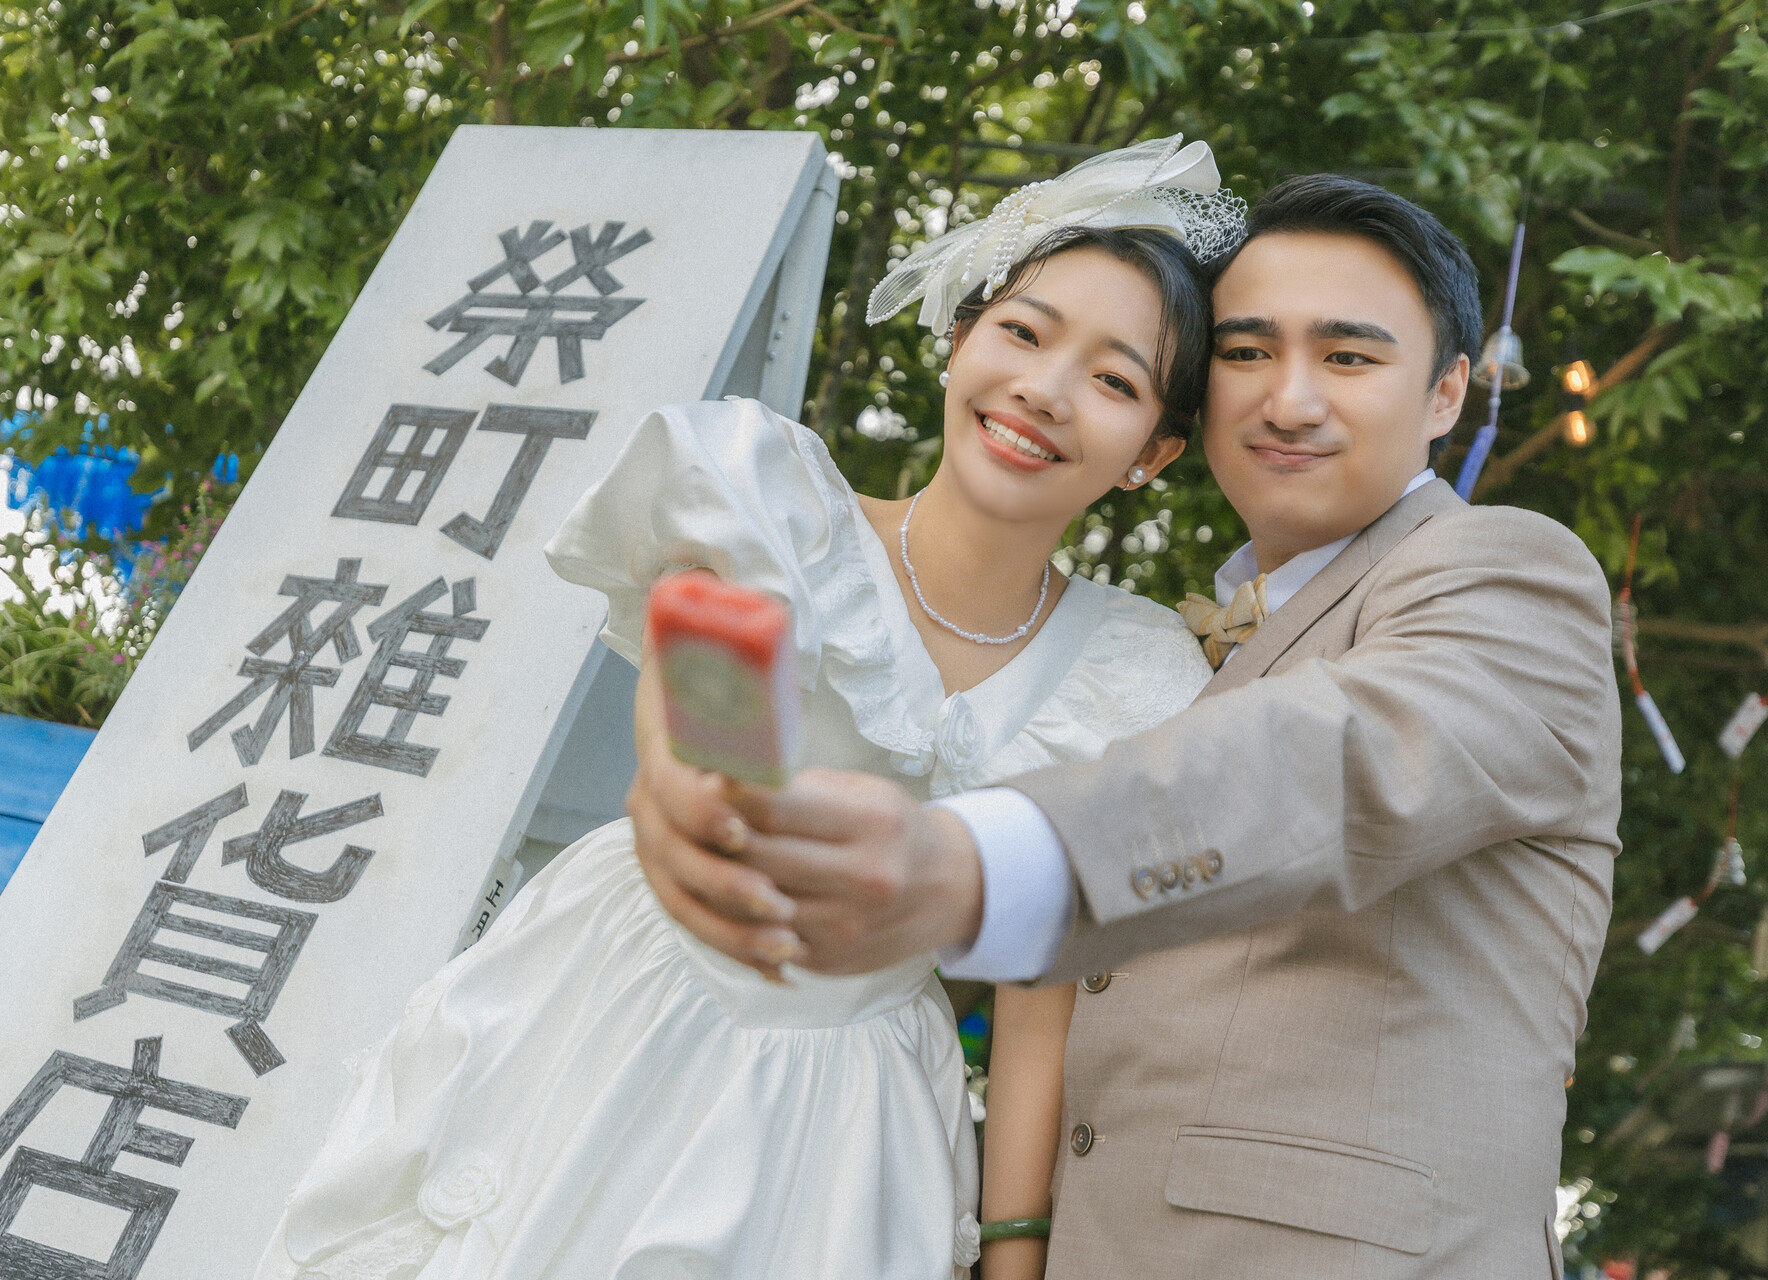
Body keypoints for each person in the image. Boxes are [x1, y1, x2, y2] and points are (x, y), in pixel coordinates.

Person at [256, 136, 1246, 1280]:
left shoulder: (1136, 673)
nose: (1045, 389)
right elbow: (688, 737)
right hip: (619, 1008)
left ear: (1152, 452)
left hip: (851, 1110)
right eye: (1023, 332)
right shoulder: (770, 506)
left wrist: (1015, 1254)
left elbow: (1041, 989)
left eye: (1114, 380)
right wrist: (684, 802)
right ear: (961, 338)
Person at [629, 174, 1622, 1278]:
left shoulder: (1506, 572)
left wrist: (971, 862)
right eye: (1247, 352)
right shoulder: (1199, 652)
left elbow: (1328, 763)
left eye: (1348, 356)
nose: (1289, 399)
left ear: (1445, 394)